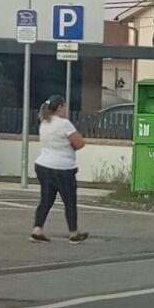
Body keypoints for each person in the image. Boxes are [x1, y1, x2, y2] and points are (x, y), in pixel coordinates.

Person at [30, 94, 88, 243]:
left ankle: (37, 229)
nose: (66, 110)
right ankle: (73, 233)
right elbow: (79, 143)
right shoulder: (64, 124)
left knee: (46, 200)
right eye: (65, 106)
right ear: (60, 107)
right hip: (63, 168)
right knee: (69, 201)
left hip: (43, 165)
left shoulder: (44, 123)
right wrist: (70, 147)